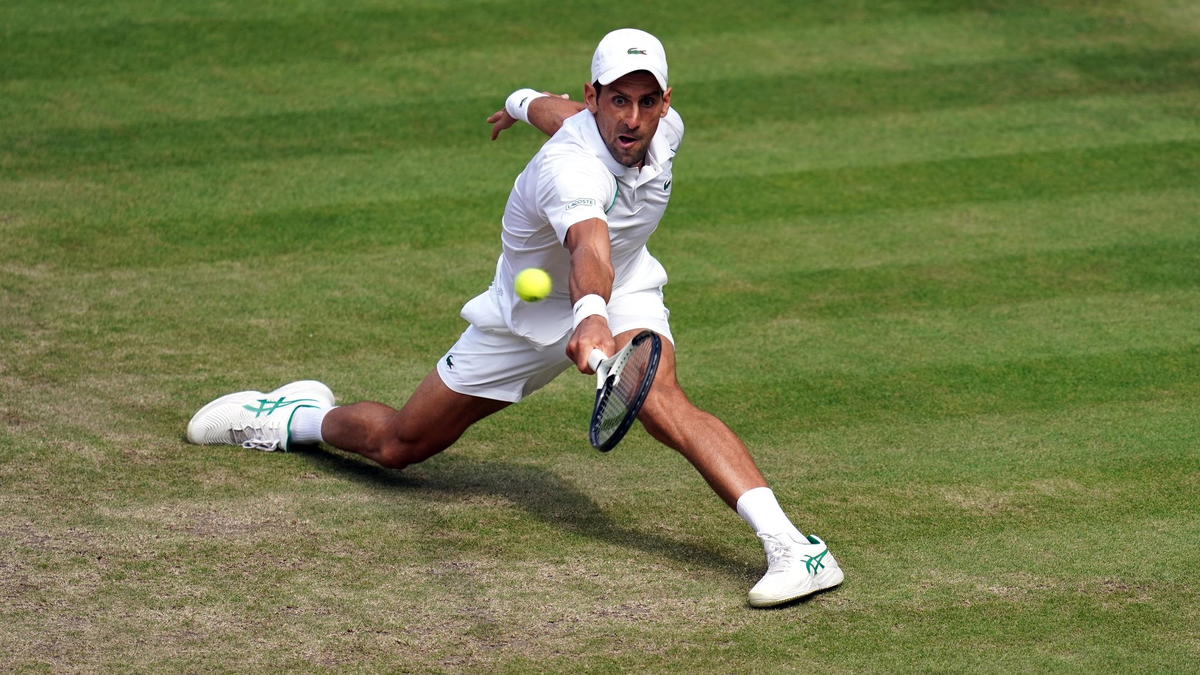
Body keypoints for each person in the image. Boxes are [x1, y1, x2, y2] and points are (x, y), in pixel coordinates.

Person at [186, 28, 842, 607]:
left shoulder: (661, 131)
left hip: (627, 287)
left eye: (648, 100)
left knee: (660, 399)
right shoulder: (570, 170)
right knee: (399, 446)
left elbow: (560, 121)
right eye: (618, 99)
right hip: (526, 317)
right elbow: (588, 244)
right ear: (595, 96)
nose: (633, 117)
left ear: (666, 103)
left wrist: (522, 100)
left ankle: (794, 548)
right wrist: (588, 315)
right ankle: (291, 416)